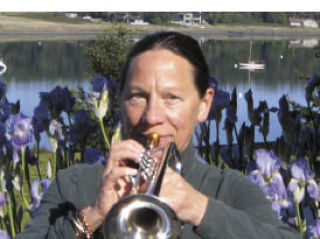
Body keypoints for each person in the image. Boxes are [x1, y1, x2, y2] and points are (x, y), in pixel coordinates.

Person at [16, 31, 301, 239]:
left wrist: (201, 210)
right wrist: (92, 217)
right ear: (120, 100)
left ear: (204, 105)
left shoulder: (230, 190)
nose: (152, 116)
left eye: (172, 98)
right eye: (138, 97)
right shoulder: (74, 185)